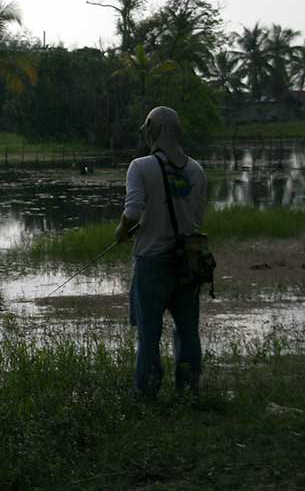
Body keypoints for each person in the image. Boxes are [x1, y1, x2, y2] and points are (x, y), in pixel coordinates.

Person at [115, 106, 207, 397]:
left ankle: (146, 392)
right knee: (188, 330)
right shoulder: (196, 170)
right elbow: (197, 216)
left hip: (152, 260)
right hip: (189, 260)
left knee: (149, 332)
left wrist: (122, 230)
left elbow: (132, 210)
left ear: (151, 130)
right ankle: (188, 390)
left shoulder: (140, 167)